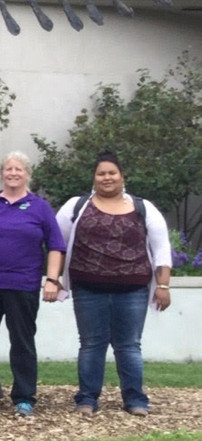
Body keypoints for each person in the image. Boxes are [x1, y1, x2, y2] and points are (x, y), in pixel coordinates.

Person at [56, 151, 172, 417]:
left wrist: (163, 286)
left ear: (122, 177)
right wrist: (54, 278)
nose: (106, 177)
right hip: (88, 290)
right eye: (101, 173)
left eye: (112, 173)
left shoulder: (144, 208)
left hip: (132, 291)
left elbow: (161, 248)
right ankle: (86, 399)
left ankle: (135, 399)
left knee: (129, 345)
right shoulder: (76, 206)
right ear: (94, 178)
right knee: (91, 345)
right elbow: (56, 243)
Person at [0, 151, 65, 418]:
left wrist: (52, 279)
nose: (13, 173)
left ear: (27, 174)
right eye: (8, 169)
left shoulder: (39, 206)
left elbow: (55, 246)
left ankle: (24, 398)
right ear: (2, 173)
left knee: (22, 342)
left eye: (19, 169)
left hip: (23, 285)